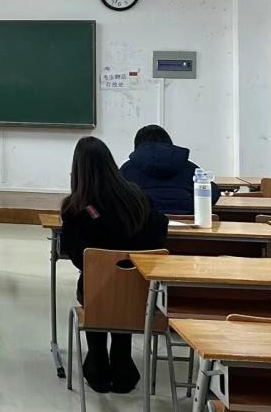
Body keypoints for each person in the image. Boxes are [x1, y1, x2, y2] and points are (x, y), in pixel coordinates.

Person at [60, 136, 168, 395]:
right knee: (124, 288)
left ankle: (97, 363)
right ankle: (123, 363)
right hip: (142, 295)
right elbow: (160, 233)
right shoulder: (139, 197)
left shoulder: (75, 208)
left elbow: (76, 256)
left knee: (95, 280)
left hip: (97, 294)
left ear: (77, 171)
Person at [120, 125, 220, 215]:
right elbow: (211, 191)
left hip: (143, 224)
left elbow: (116, 195)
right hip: (189, 223)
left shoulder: (127, 168)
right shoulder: (188, 166)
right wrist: (195, 208)